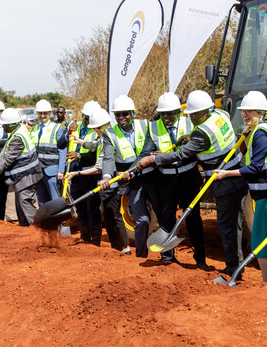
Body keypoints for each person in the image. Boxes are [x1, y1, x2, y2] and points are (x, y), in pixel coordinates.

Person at [137, 90, 247, 277]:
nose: (191, 118)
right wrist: (188, 138)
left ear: (203, 112)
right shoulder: (221, 114)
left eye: (192, 115)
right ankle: (171, 258)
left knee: (225, 226)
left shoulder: (202, 131)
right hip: (232, 173)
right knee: (232, 226)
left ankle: (227, 267)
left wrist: (155, 160)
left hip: (217, 179)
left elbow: (183, 153)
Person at [215, 91, 267, 285]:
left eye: (250, 112)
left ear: (261, 112)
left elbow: (255, 167)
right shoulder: (259, 131)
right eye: (243, 112)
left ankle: (266, 283)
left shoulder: (261, 135)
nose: (245, 115)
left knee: (258, 240)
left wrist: (226, 174)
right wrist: (247, 136)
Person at [144, 92, 207, 269]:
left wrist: (166, 156)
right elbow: (147, 152)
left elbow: (194, 148)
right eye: (163, 114)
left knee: (193, 218)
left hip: (189, 177)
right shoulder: (153, 127)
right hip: (166, 179)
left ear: (179, 112)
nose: (166, 117)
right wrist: (148, 158)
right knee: (166, 218)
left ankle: (200, 259)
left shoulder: (190, 122)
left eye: (170, 113)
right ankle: (167, 258)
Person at [98, 95, 162, 258]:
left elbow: (152, 147)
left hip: (154, 178)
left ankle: (167, 257)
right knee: (141, 221)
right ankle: (141, 255)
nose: (121, 118)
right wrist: (107, 176)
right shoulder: (110, 134)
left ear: (133, 113)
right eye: (117, 115)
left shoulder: (146, 125)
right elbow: (108, 158)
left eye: (124, 113)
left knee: (162, 218)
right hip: (133, 183)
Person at [0, 108, 42, 227]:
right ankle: (24, 230)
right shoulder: (19, 129)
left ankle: (37, 229)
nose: (3, 127)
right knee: (20, 205)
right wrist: (3, 142)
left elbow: (7, 160)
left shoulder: (17, 138)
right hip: (24, 176)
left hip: (28, 175)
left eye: (4, 125)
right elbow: (12, 142)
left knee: (25, 203)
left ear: (12, 125)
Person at [63, 100, 103, 245]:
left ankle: (96, 240)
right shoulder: (76, 126)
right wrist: (67, 133)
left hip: (91, 174)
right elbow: (61, 144)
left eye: (90, 118)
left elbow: (97, 153)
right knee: (80, 208)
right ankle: (85, 238)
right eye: (85, 117)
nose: (87, 121)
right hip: (75, 173)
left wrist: (79, 155)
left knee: (93, 208)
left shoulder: (98, 130)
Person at [29, 99, 67, 206]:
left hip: (52, 172)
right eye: (40, 113)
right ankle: (46, 223)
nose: (42, 115)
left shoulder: (56, 128)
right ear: (37, 113)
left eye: (45, 113)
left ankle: (59, 222)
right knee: (42, 202)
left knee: (55, 201)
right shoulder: (34, 129)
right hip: (38, 171)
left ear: (50, 113)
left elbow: (62, 150)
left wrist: (60, 170)